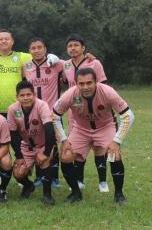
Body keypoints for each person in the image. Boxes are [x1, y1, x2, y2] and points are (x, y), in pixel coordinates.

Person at [53, 68, 134, 204]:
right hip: (80, 129)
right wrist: (63, 139)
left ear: (96, 81)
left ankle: (119, 194)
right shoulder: (70, 94)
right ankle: (75, 193)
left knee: (115, 155)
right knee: (66, 156)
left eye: (89, 83)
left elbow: (128, 115)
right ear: (76, 84)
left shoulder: (108, 92)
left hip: (105, 127)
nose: (85, 87)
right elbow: (54, 115)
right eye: (81, 84)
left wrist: (117, 140)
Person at [62, 34, 108, 192]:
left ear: (83, 48)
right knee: (78, 149)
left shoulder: (94, 63)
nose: (72, 48)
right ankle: (79, 180)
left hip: (94, 111)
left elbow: (103, 87)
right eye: (69, 46)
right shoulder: (65, 65)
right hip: (74, 112)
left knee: (99, 146)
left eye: (76, 45)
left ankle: (103, 181)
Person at [22, 38, 63, 188]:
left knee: (54, 145)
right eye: (33, 48)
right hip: (33, 113)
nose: (37, 50)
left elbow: (73, 66)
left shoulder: (56, 64)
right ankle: (40, 176)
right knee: (38, 143)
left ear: (45, 49)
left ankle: (54, 177)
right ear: (29, 51)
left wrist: (89, 57)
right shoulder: (26, 66)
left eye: (40, 47)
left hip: (53, 113)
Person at [8, 81, 57, 205]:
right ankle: (28, 185)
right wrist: (19, 156)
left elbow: (49, 129)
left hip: (43, 144)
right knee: (18, 172)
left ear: (34, 95)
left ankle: (47, 194)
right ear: (17, 97)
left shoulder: (42, 105)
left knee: (45, 162)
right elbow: (13, 135)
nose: (26, 98)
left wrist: (45, 152)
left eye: (28, 95)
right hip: (26, 146)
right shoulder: (12, 109)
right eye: (22, 95)